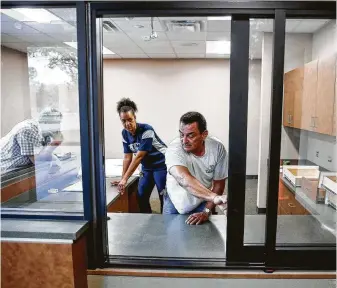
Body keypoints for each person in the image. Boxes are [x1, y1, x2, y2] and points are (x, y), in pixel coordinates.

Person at [164, 111, 228, 225]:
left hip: (202, 201)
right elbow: (183, 179)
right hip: (175, 201)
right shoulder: (174, 149)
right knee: (171, 238)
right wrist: (214, 197)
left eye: (190, 135)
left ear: (204, 134)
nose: (184, 141)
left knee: (202, 239)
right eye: (181, 134)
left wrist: (207, 211)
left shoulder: (217, 149)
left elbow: (219, 183)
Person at [112, 98, 167, 213]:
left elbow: (139, 157)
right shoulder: (125, 134)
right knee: (141, 195)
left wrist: (125, 178)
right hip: (147, 167)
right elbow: (127, 157)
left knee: (164, 196)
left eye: (130, 119)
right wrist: (123, 179)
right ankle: (148, 222)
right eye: (123, 121)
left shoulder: (147, 129)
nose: (127, 124)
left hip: (161, 165)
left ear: (135, 118)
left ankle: (165, 224)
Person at [0, 107, 63, 173]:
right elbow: (40, 163)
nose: (59, 126)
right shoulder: (28, 130)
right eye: (56, 123)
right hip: (5, 171)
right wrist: (55, 143)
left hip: (19, 169)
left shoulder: (45, 133)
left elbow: (45, 155)